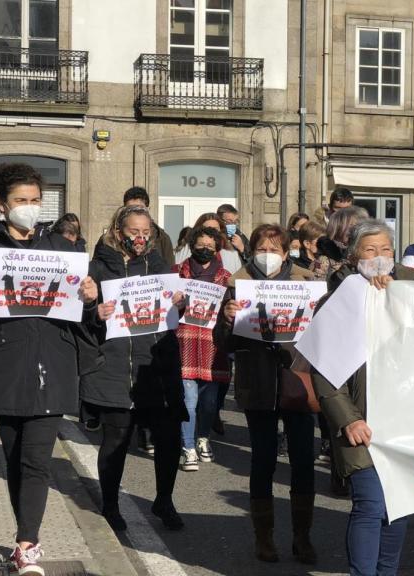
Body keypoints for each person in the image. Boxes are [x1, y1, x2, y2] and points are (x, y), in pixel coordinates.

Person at [0, 163, 100, 574]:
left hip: (54, 363)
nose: (30, 208)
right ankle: (24, 530)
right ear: (2, 204)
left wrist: (89, 299)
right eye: (21, 201)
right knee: (17, 457)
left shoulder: (64, 248)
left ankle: (27, 544)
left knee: (37, 460)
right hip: (4, 363)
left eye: (36, 200)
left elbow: (85, 319)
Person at [312, 219, 414, 575]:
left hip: (404, 423)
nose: (379, 256)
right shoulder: (338, 301)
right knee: (370, 506)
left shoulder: (411, 294)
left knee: (399, 507)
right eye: (370, 250)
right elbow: (324, 371)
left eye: (386, 249)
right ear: (354, 256)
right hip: (361, 421)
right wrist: (347, 418)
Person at [80, 205, 187, 533]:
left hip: (157, 368)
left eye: (145, 233)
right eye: (133, 232)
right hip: (114, 368)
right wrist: (93, 310)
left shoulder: (159, 266)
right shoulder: (97, 268)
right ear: (117, 230)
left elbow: (170, 319)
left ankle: (164, 499)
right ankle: (110, 504)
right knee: (115, 442)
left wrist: (179, 306)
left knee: (168, 439)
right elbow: (81, 321)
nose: (140, 239)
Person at [216, 223, 318, 564]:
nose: (268, 255)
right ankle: (264, 537)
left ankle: (302, 537)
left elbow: (324, 336)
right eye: (262, 248)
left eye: (275, 249)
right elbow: (224, 344)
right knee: (262, 461)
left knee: (303, 460)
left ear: (286, 252)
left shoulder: (307, 282)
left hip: (297, 380)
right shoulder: (237, 283)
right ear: (251, 250)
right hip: (257, 383)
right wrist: (227, 320)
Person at [172, 226, 232, 471]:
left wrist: (229, 312)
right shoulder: (177, 273)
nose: (205, 250)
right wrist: (174, 304)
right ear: (191, 245)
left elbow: (234, 312)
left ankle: (203, 437)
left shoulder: (227, 277)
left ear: (217, 249)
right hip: (184, 341)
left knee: (209, 403)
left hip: (213, 345)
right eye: (200, 245)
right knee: (188, 400)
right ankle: (187, 447)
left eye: (210, 246)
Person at [118, 187, 175, 266]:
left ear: (148, 209)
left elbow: (169, 270)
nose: (134, 213)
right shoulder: (110, 239)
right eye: (129, 209)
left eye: (140, 209)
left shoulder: (162, 238)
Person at [174, 213, 243, 274]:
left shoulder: (231, 253)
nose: (211, 233)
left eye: (215, 229)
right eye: (207, 229)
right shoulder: (186, 249)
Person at [316, 206, 369, 277]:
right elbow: (317, 286)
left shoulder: (370, 255)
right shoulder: (325, 260)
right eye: (351, 226)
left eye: (360, 225)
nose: (357, 230)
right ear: (337, 229)